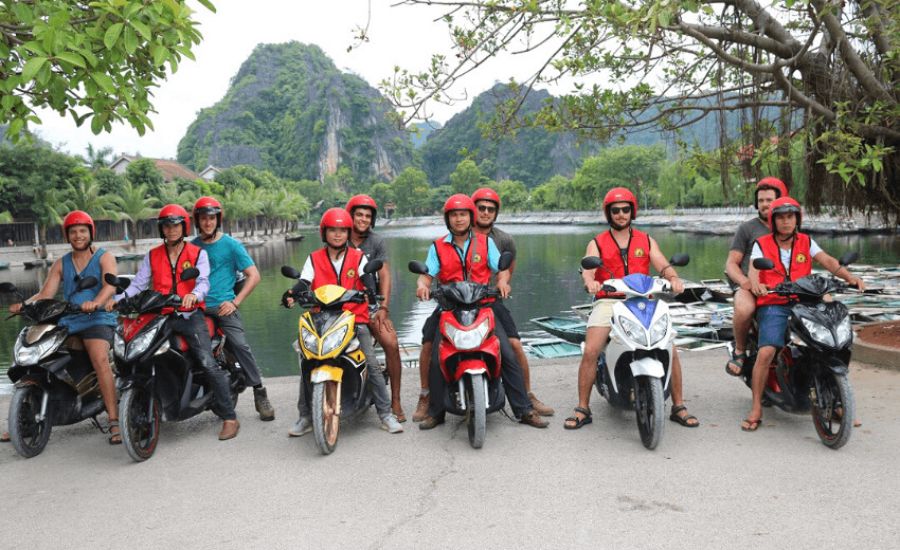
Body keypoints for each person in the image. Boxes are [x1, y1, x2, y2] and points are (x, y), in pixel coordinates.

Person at [564, 187, 699, 430]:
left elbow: (663, 265)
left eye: (625, 209)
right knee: (591, 349)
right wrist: (591, 283)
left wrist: (674, 278)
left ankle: (678, 405)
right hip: (609, 299)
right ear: (609, 214)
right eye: (615, 210)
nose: (620, 214)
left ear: (632, 211)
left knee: (670, 347)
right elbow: (588, 269)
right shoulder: (597, 242)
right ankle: (583, 407)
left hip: (644, 299)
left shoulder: (646, 240)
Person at [414, 194, 548, 430]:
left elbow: (502, 268)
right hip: (449, 306)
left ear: (470, 217)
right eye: (454, 215)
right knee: (436, 354)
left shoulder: (486, 243)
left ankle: (523, 409)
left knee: (506, 352)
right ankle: (436, 411)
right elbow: (426, 275)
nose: (459, 219)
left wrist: (503, 282)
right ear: (447, 218)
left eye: (463, 214)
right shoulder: (438, 246)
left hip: (483, 304)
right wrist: (423, 286)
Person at [106, 204, 240, 441]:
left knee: (207, 362)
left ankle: (230, 417)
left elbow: (203, 283)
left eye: (175, 225)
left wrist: (194, 295)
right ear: (162, 229)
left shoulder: (198, 254)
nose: (171, 230)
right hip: (159, 315)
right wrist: (117, 300)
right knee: (141, 353)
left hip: (189, 315)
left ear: (184, 227)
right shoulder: (153, 255)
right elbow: (138, 284)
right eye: (167, 226)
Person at [741, 197, 864, 431]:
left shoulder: (806, 241)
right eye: (781, 218)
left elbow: (827, 260)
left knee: (831, 344)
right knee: (767, 351)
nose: (786, 222)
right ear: (773, 220)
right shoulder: (761, 243)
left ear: (797, 219)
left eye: (791, 217)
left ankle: (838, 402)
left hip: (805, 301)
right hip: (775, 302)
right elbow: (755, 268)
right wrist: (756, 284)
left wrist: (850, 278)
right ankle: (756, 406)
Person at [5, 211, 121, 444]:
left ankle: (114, 420)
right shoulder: (61, 263)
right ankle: (24, 419)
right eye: (73, 231)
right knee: (39, 355)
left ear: (90, 233)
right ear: (67, 235)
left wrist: (96, 303)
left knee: (98, 357)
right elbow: (46, 294)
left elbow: (110, 286)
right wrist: (25, 305)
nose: (78, 235)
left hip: (97, 318)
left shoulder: (103, 257)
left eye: (82, 231)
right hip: (68, 320)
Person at [287, 208, 403, 436]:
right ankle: (305, 416)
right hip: (322, 318)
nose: (338, 235)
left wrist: (370, 293)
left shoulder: (358, 257)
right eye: (333, 230)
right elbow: (304, 281)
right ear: (324, 232)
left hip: (354, 318)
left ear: (348, 233)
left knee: (370, 361)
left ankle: (385, 413)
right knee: (306, 361)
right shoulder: (314, 258)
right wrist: (291, 293)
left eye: (342, 230)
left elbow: (366, 276)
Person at [192, 196, 275, 422]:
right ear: (197, 221)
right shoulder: (191, 247)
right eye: (203, 219)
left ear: (217, 220)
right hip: (196, 308)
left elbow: (254, 275)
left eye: (211, 218)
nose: (207, 223)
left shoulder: (230, 245)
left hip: (223, 307)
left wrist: (235, 302)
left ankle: (259, 392)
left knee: (239, 344)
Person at [345, 194, 406, 422]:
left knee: (391, 343)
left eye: (367, 216)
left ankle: (396, 400)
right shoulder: (339, 237)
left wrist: (384, 306)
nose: (363, 219)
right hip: (341, 306)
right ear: (350, 216)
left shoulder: (376, 242)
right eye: (359, 215)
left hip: (370, 306)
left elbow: (385, 274)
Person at [724, 177, 788, 376]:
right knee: (745, 309)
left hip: (781, 285)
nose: (764, 204)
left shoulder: (789, 226)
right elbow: (731, 263)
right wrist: (744, 281)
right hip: (749, 284)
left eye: (769, 200)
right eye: (761, 201)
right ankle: (740, 351)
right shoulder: (747, 229)